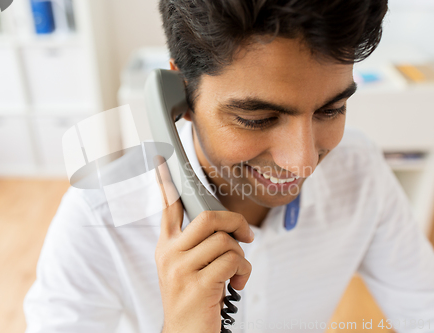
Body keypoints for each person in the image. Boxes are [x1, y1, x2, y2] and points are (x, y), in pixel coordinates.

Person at [23, 0, 434, 332]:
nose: (303, 161)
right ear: (178, 94)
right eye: (256, 119)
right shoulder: (96, 216)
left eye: (332, 110)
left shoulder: (360, 170)